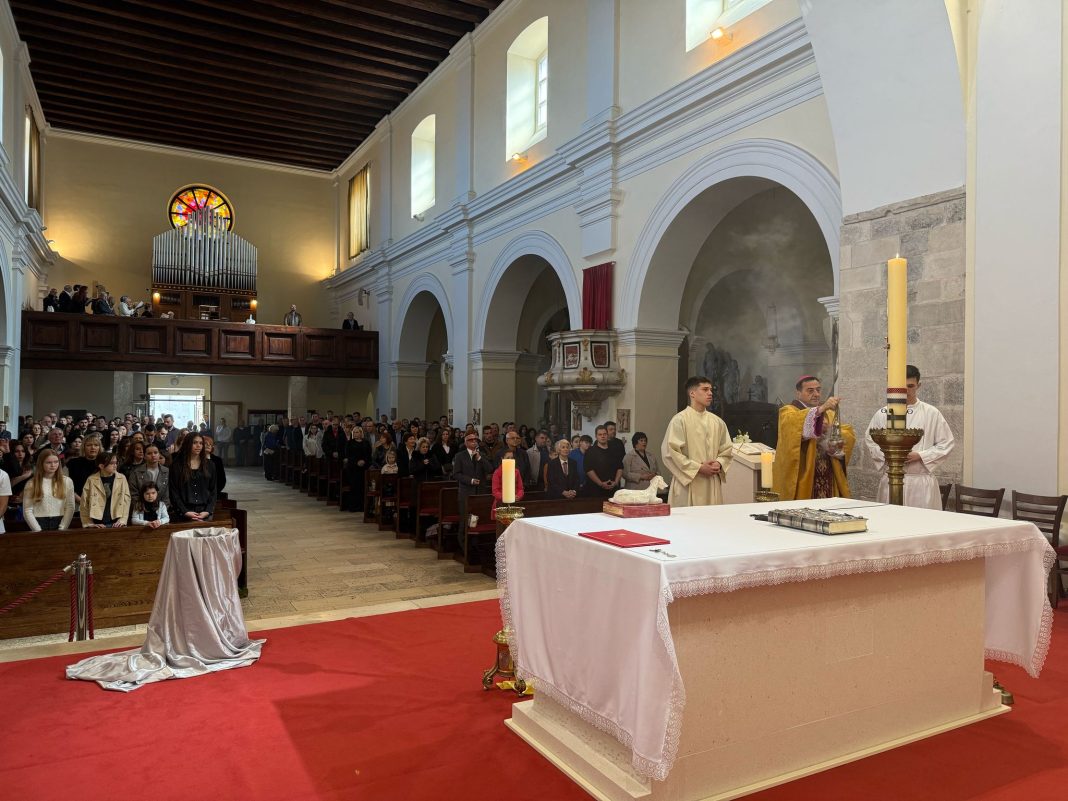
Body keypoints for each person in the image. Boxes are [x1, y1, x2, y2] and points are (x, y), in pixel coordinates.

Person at [864, 364, 955, 509]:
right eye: (901, 386)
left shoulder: (931, 413)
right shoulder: (882, 413)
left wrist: (920, 455)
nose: (905, 390)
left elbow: (946, 444)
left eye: (910, 386)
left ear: (918, 385)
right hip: (891, 479)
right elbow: (870, 440)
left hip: (921, 484)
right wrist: (890, 455)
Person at [772, 375, 856, 500]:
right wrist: (820, 411)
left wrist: (830, 431)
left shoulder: (829, 413)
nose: (816, 394)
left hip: (828, 474)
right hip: (803, 475)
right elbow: (793, 428)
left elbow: (846, 434)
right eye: (810, 390)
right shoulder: (788, 411)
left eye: (818, 390)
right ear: (798, 393)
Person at [661, 376, 734, 507]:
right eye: (705, 389)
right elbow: (670, 453)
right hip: (688, 483)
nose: (710, 393)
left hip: (711, 483)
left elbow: (726, 450)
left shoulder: (717, 422)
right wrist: (699, 467)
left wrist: (719, 463)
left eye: (711, 390)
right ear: (692, 393)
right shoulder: (679, 420)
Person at [23, 449, 76, 531]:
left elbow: (70, 506)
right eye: (48, 462)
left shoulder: (67, 481)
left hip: (60, 520)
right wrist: (37, 530)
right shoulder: (32, 483)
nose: (53, 465)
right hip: (38, 521)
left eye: (56, 462)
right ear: (41, 464)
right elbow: (27, 510)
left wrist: (63, 527)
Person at [169, 433, 217, 521]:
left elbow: (213, 490)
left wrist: (208, 510)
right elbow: (173, 491)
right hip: (183, 512)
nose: (198, 446)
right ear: (187, 444)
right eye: (194, 443)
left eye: (201, 443)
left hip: (204, 512)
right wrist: (184, 511)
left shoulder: (210, 465)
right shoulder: (176, 465)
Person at [79, 451, 131, 528]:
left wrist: (122, 520)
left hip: (116, 521)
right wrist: (89, 523)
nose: (115, 465)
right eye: (112, 463)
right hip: (97, 522)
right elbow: (84, 503)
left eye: (116, 463)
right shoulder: (91, 479)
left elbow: (126, 501)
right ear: (101, 466)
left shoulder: (122, 478)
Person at [582, 425, 625, 497]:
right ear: (596, 436)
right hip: (596, 489)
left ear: (607, 435)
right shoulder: (590, 451)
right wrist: (601, 484)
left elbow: (620, 467)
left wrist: (616, 482)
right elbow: (589, 470)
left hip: (613, 488)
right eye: (600, 434)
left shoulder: (615, 450)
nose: (602, 436)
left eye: (604, 434)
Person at [67, 433, 103, 501]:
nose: (93, 447)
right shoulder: (73, 463)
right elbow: (67, 485)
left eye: (96, 445)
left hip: (100, 502)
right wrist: (81, 501)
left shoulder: (105, 463)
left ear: (99, 447)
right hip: (77, 501)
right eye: (89, 445)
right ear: (83, 447)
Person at [491, 448, 525, 517]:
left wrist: (518, 496)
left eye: (512, 458)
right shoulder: (497, 472)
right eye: (508, 458)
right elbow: (495, 491)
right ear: (502, 459)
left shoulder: (516, 471)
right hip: (501, 504)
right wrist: (506, 497)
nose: (510, 460)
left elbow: (520, 488)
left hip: (515, 502)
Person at [344, 427, 372, 512]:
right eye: (354, 432)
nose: (356, 434)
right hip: (353, 468)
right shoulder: (349, 443)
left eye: (357, 432)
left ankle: (362, 506)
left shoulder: (366, 443)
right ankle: (353, 506)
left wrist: (364, 461)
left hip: (364, 468)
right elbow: (348, 455)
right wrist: (356, 462)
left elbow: (369, 455)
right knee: (354, 487)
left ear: (361, 433)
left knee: (362, 487)